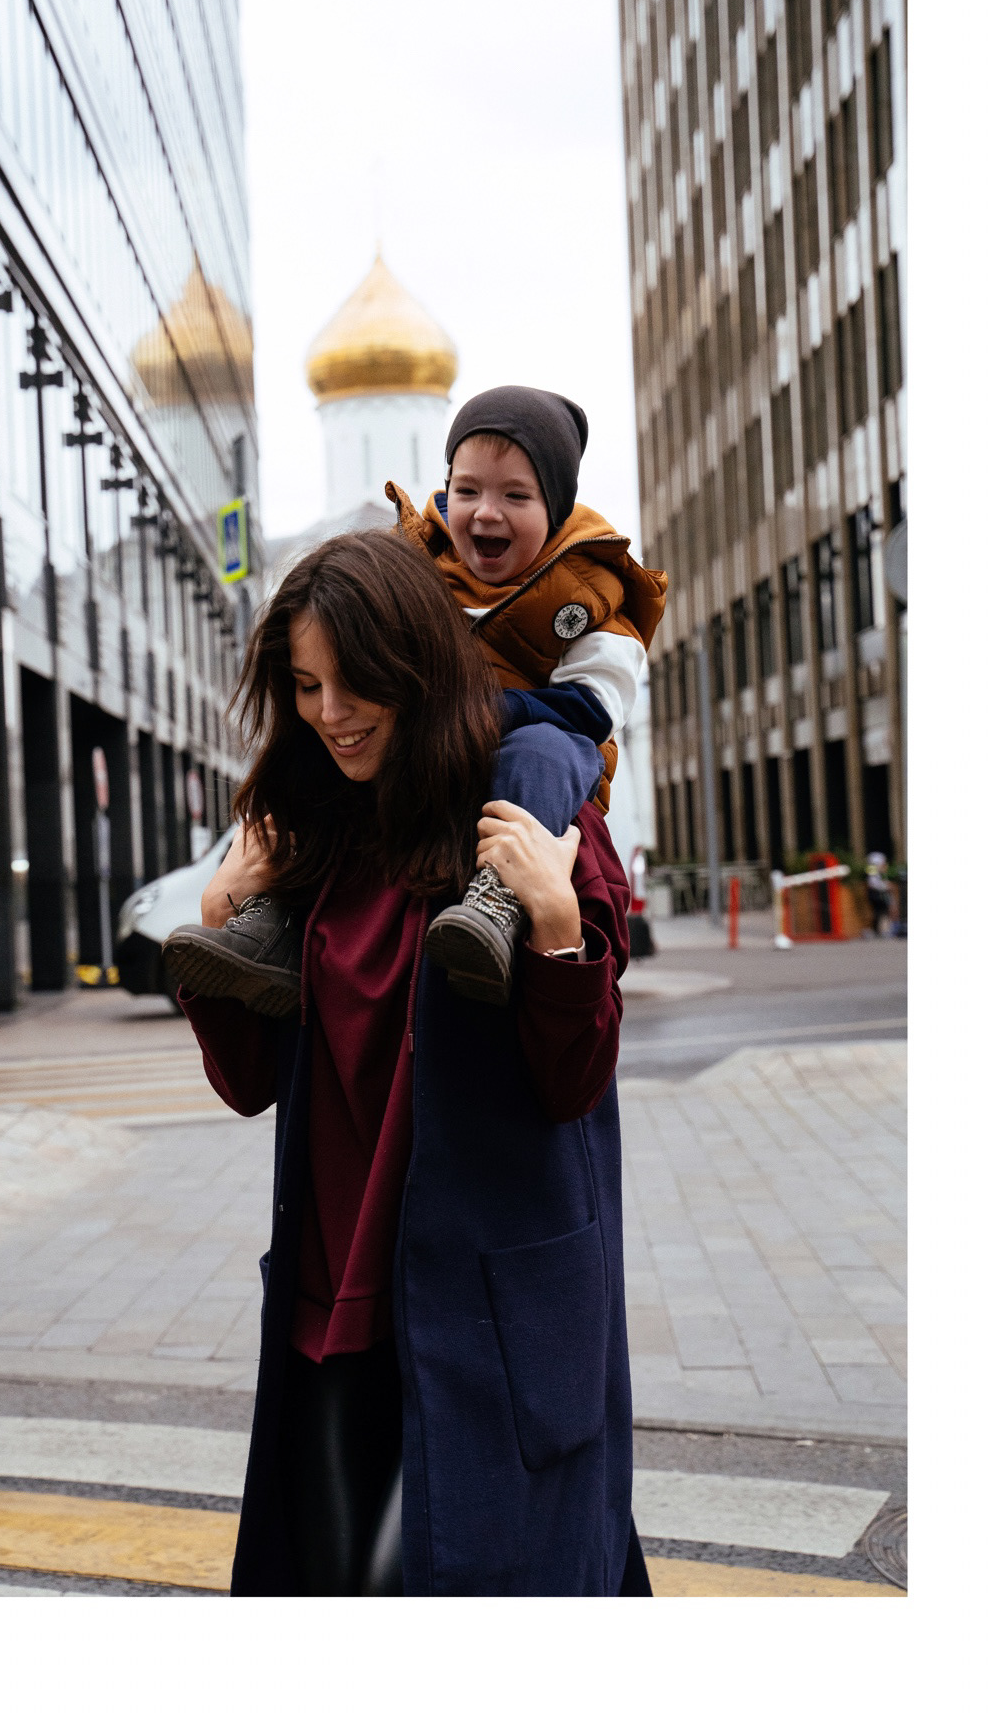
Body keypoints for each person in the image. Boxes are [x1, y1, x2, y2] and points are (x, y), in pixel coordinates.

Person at [169, 530, 651, 1597]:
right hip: (330, 1314)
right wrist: (222, 912)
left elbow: (574, 1083)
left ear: (418, 667)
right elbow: (249, 1085)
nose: (331, 713)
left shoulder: (528, 822)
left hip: (488, 1322)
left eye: (356, 684)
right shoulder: (314, 836)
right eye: (306, 687)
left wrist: (557, 928)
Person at [164, 385, 667, 1014]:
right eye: (467, 491)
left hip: (541, 769)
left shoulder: (593, 594)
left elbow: (593, 708)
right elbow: (259, 1073)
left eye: (517, 496)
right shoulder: (418, 564)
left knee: (541, 751)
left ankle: (498, 900)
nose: (486, 513)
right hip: (431, 749)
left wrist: (558, 934)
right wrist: (223, 907)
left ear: (557, 508)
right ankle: (270, 927)